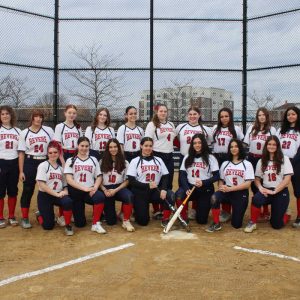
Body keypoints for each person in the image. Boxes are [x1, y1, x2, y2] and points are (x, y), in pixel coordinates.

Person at [244, 136, 293, 232]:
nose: (271, 146)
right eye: (269, 144)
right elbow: (257, 179)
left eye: (274, 144)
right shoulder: (261, 161)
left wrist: (274, 191)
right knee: (256, 199)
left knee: (276, 225)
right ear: (266, 145)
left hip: (280, 191)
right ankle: (252, 222)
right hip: (266, 190)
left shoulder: (285, 159)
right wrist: (260, 188)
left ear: (278, 146)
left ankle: (286, 214)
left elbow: (287, 179)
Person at [206, 139, 254, 232]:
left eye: (236, 146)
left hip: (240, 193)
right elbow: (221, 180)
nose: (233, 149)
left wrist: (230, 189)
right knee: (214, 198)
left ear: (240, 148)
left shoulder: (247, 164)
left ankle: (233, 213)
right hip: (227, 191)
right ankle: (216, 223)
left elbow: (247, 184)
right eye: (231, 147)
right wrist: (221, 187)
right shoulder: (225, 163)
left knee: (236, 225)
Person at [126, 137, 174, 227]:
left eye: (150, 146)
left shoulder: (158, 160)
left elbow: (165, 176)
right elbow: (131, 181)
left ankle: (166, 219)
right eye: (146, 146)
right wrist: (147, 185)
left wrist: (163, 189)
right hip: (140, 192)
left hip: (155, 191)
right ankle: (137, 210)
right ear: (141, 146)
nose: (148, 148)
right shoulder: (135, 161)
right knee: (143, 222)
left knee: (170, 194)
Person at [175, 106, 213, 220]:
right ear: (187, 115)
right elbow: (175, 139)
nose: (192, 116)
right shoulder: (180, 127)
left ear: (199, 115)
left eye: (195, 114)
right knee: (184, 185)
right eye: (190, 114)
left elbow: (208, 143)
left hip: (200, 158)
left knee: (197, 184)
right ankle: (184, 212)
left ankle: (195, 209)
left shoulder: (206, 129)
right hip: (185, 158)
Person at [18, 109, 54, 229]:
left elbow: (54, 147)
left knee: (45, 189)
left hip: (45, 161)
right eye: (36, 116)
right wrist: (21, 171)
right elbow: (22, 153)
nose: (38, 119)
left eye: (40, 117)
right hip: (30, 161)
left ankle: (43, 213)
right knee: (28, 190)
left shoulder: (48, 130)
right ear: (32, 118)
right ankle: (24, 217)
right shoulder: (24, 133)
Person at [64, 137, 106, 234]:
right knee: (80, 224)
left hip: (90, 190)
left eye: (86, 146)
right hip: (76, 192)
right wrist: (84, 188)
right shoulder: (71, 160)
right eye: (82, 146)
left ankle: (96, 224)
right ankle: (75, 216)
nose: (84, 148)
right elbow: (69, 180)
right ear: (78, 146)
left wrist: (95, 187)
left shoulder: (93, 159)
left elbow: (99, 176)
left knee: (99, 197)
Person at [175, 134, 219, 224]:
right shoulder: (187, 156)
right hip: (191, 187)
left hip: (205, 189)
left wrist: (204, 182)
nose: (197, 145)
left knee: (201, 220)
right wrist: (186, 188)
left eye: (199, 142)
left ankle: (199, 209)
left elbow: (217, 176)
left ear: (203, 143)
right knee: (179, 194)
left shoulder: (211, 158)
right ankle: (183, 218)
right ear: (192, 144)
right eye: (195, 143)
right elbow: (182, 175)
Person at [211, 108, 244, 223]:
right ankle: (224, 210)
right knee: (221, 182)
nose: (224, 118)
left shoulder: (236, 129)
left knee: (229, 181)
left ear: (230, 117)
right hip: (217, 157)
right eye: (221, 116)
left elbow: (240, 144)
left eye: (226, 116)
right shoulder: (215, 128)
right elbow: (212, 142)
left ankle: (228, 209)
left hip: (229, 157)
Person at [243, 107, 276, 219]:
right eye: (259, 115)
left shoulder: (272, 129)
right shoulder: (252, 128)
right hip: (252, 158)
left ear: (267, 117)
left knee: (265, 183)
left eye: (264, 115)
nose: (262, 117)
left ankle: (266, 210)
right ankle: (257, 207)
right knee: (254, 185)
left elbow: (275, 146)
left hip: (265, 159)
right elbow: (245, 144)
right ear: (257, 117)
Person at [36, 141, 74, 235]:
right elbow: (42, 185)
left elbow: (65, 184)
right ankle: (40, 216)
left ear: (58, 153)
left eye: (55, 152)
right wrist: (57, 194)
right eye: (50, 153)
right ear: (47, 154)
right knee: (48, 226)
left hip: (58, 194)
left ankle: (68, 225)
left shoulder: (61, 169)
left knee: (68, 201)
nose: (53, 154)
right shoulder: (43, 166)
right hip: (45, 196)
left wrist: (65, 191)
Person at [100, 139, 134, 231]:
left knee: (129, 196)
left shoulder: (125, 162)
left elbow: (127, 181)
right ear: (107, 149)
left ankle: (126, 220)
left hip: (119, 187)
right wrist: (104, 190)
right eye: (110, 147)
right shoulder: (101, 161)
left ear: (119, 148)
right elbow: (98, 179)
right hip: (106, 188)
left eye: (115, 147)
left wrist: (116, 190)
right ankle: (112, 213)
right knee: (111, 222)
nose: (113, 149)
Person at [276, 106, 300, 228]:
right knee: (280, 186)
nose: (290, 116)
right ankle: (283, 211)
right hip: (281, 162)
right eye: (288, 114)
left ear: (297, 115)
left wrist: (294, 161)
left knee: (298, 190)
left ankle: (299, 216)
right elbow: (275, 146)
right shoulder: (281, 130)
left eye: (293, 114)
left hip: (296, 162)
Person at [0, 106, 21, 228]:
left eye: (7, 113)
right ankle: (0, 217)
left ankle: (12, 216)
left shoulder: (18, 131)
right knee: (0, 191)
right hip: (1, 162)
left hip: (14, 162)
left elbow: (20, 150)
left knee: (13, 190)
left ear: (11, 115)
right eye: (2, 114)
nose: (5, 116)